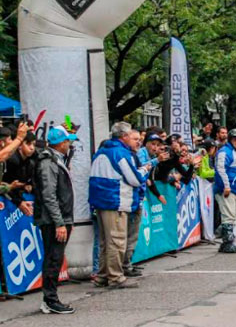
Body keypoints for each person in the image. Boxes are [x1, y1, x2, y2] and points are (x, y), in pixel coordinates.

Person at [89, 122, 151, 289]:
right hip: (115, 200)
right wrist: (145, 169)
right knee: (116, 241)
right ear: (124, 137)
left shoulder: (102, 151)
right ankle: (116, 277)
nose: (136, 141)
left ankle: (102, 275)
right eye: (132, 136)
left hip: (100, 201)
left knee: (104, 241)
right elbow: (135, 179)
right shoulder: (121, 153)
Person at [34, 126, 77, 314]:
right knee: (53, 258)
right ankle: (50, 299)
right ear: (61, 143)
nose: (69, 144)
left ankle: (50, 298)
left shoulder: (56, 160)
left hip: (60, 218)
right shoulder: (48, 162)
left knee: (55, 258)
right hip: (53, 220)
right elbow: (49, 195)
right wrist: (59, 223)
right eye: (67, 141)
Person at [214, 129, 236, 253]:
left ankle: (224, 240)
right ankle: (228, 244)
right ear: (230, 140)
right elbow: (220, 169)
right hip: (227, 190)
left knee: (231, 217)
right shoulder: (225, 152)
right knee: (228, 217)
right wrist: (226, 186)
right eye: (235, 139)